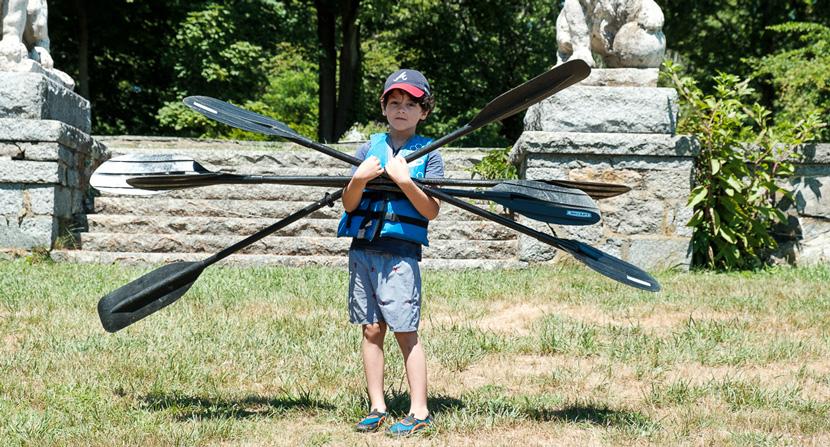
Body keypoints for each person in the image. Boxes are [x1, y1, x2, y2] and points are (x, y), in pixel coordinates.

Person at [337, 68, 444, 436]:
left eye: (411, 104)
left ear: (423, 111)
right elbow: (350, 205)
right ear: (384, 108)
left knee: (404, 331)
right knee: (370, 329)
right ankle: (377, 405)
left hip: (400, 253)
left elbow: (430, 210)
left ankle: (419, 411)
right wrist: (358, 178)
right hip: (363, 249)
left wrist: (403, 179)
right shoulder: (368, 150)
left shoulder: (429, 155)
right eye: (394, 102)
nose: (402, 109)